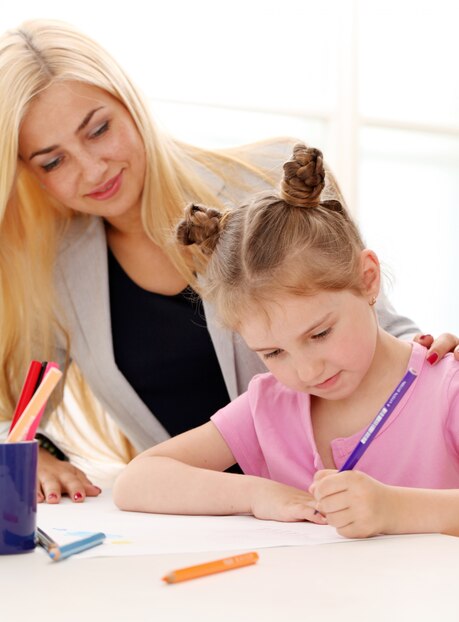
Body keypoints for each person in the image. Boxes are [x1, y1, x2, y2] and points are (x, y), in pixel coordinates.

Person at [0, 20, 457, 506]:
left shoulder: (268, 177)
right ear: (28, 172)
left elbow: (366, 313)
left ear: (131, 106)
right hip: (211, 509)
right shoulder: (56, 267)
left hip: (335, 497)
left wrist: (430, 369)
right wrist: (22, 451)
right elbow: (20, 407)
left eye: (99, 129)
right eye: (53, 161)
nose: (91, 169)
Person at [114, 144, 459, 538]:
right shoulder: (271, 405)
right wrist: (257, 494)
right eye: (273, 352)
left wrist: (396, 510)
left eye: (320, 333)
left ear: (367, 279)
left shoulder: (446, 390)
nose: (307, 371)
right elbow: (137, 480)